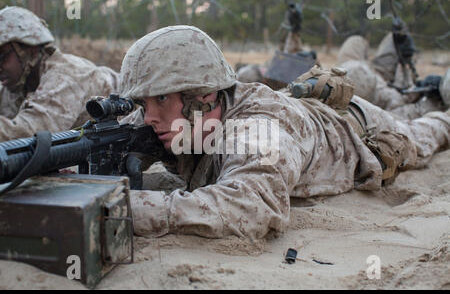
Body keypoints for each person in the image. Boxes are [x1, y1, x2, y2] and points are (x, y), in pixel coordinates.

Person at [119, 25, 449, 240]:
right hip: (303, 111)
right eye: (141, 103)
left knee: (426, 131)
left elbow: (250, 209)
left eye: (161, 99)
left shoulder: (259, 131)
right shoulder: (162, 117)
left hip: (359, 128)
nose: (147, 117)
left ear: (202, 95)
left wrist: (122, 209)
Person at [0, 6, 119, 141]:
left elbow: (30, 134)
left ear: (31, 51)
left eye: (1, 56)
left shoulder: (66, 77)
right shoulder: (15, 84)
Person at [337, 34, 448, 119]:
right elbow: (399, 102)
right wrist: (429, 98)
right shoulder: (382, 113)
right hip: (380, 87)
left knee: (357, 41)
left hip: (358, 76)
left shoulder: (343, 79)